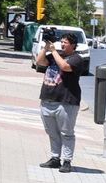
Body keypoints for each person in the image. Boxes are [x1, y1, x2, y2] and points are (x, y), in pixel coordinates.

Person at [36, 32, 86, 173]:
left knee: (66, 133)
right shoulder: (54, 55)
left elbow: (64, 67)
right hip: (48, 98)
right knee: (52, 132)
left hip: (66, 101)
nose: (63, 44)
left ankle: (67, 161)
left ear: (73, 45)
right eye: (62, 41)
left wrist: (53, 51)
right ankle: (55, 158)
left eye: (66, 42)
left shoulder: (77, 59)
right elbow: (39, 61)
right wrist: (46, 48)